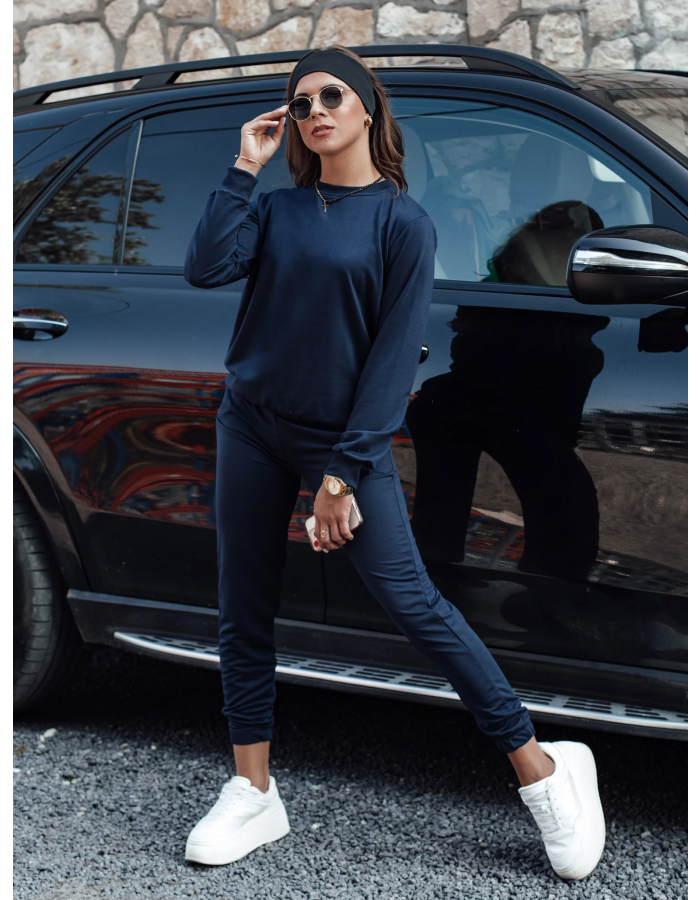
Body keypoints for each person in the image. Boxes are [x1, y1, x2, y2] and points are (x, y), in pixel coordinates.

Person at [182, 45, 606, 880]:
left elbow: (389, 360)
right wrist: (244, 167)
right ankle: (252, 790)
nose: (314, 112)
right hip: (252, 424)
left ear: (368, 107)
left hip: (340, 439)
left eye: (330, 96)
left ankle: (544, 770)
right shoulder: (279, 208)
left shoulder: (401, 223)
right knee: (244, 606)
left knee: (413, 601)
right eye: (300, 104)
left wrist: (342, 474)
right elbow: (206, 266)